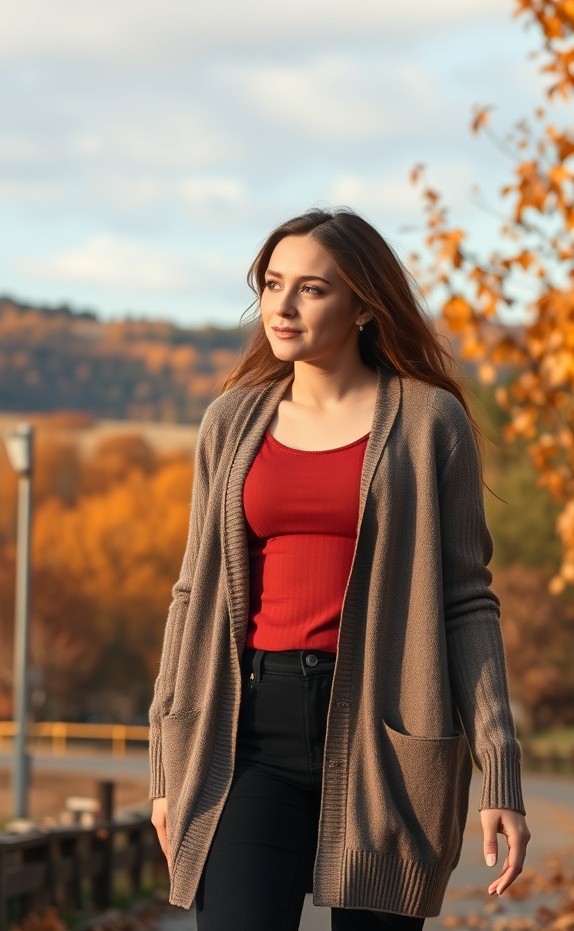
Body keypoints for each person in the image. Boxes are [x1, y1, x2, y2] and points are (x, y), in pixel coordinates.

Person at [149, 208, 530, 930]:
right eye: (272, 284)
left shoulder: (428, 424)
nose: (283, 307)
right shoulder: (230, 423)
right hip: (247, 736)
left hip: (387, 735)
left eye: (312, 289)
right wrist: (167, 760)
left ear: (362, 305)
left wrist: (498, 768)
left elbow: (466, 600)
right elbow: (192, 592)